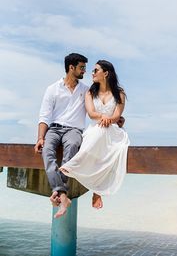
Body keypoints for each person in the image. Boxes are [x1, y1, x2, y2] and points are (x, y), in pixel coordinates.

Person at [59, 60, 130, 209]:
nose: (92, 73)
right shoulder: (90, 92)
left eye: (96, 70)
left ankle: (91, 184)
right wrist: (102, 118)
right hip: (96, 127)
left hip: (113, 129)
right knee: (97, 134)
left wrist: (108, 119)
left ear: (105, 73)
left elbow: (117, 116)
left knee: (106, 140)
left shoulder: (120, 93)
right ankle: (92, 185)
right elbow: (91, 114)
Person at [34, 53, 88, 218]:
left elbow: (98, 107)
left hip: (74, 130)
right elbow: (44, 116)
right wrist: (40, 138)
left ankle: (58, 192)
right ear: (71, 67)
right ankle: (63, 195)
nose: (84, 71)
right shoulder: (52, 89)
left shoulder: (86, 90)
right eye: (82, 67)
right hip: (54, 129)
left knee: (72, 146)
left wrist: (116, 118)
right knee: (47, 150)